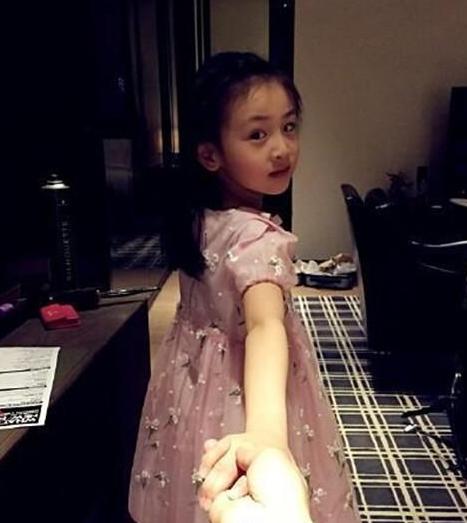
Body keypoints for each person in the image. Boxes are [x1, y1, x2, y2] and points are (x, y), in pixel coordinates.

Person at [128, 51, 360, 523]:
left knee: (198, 480)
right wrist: (268, 437)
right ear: (210, 154)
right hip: (247, 394)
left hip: (191, 386)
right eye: (258, 134)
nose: (282, 148)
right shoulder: (257, 237)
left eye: (289, 127)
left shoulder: (200, 219)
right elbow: (264, 326)